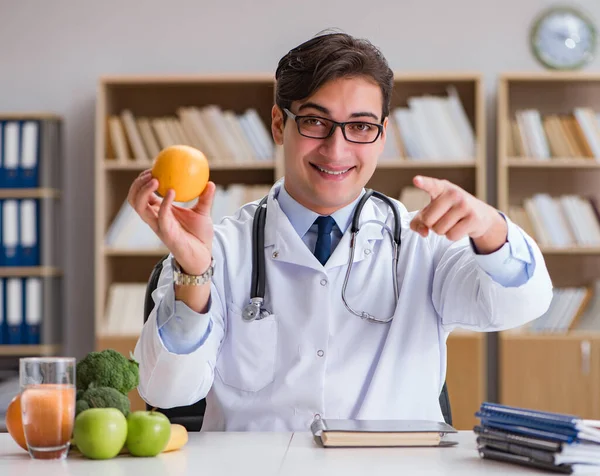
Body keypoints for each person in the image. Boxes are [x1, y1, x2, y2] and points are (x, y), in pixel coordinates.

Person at [129, 31, 553, 432]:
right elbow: (167, 392)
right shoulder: (217, 247)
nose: (337, 149)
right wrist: (195, 273)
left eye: (361, 126)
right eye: (315, 122)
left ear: (383, 134)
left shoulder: (424, 241)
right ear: (279, 125)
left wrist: (491, 229)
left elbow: (519, 305)